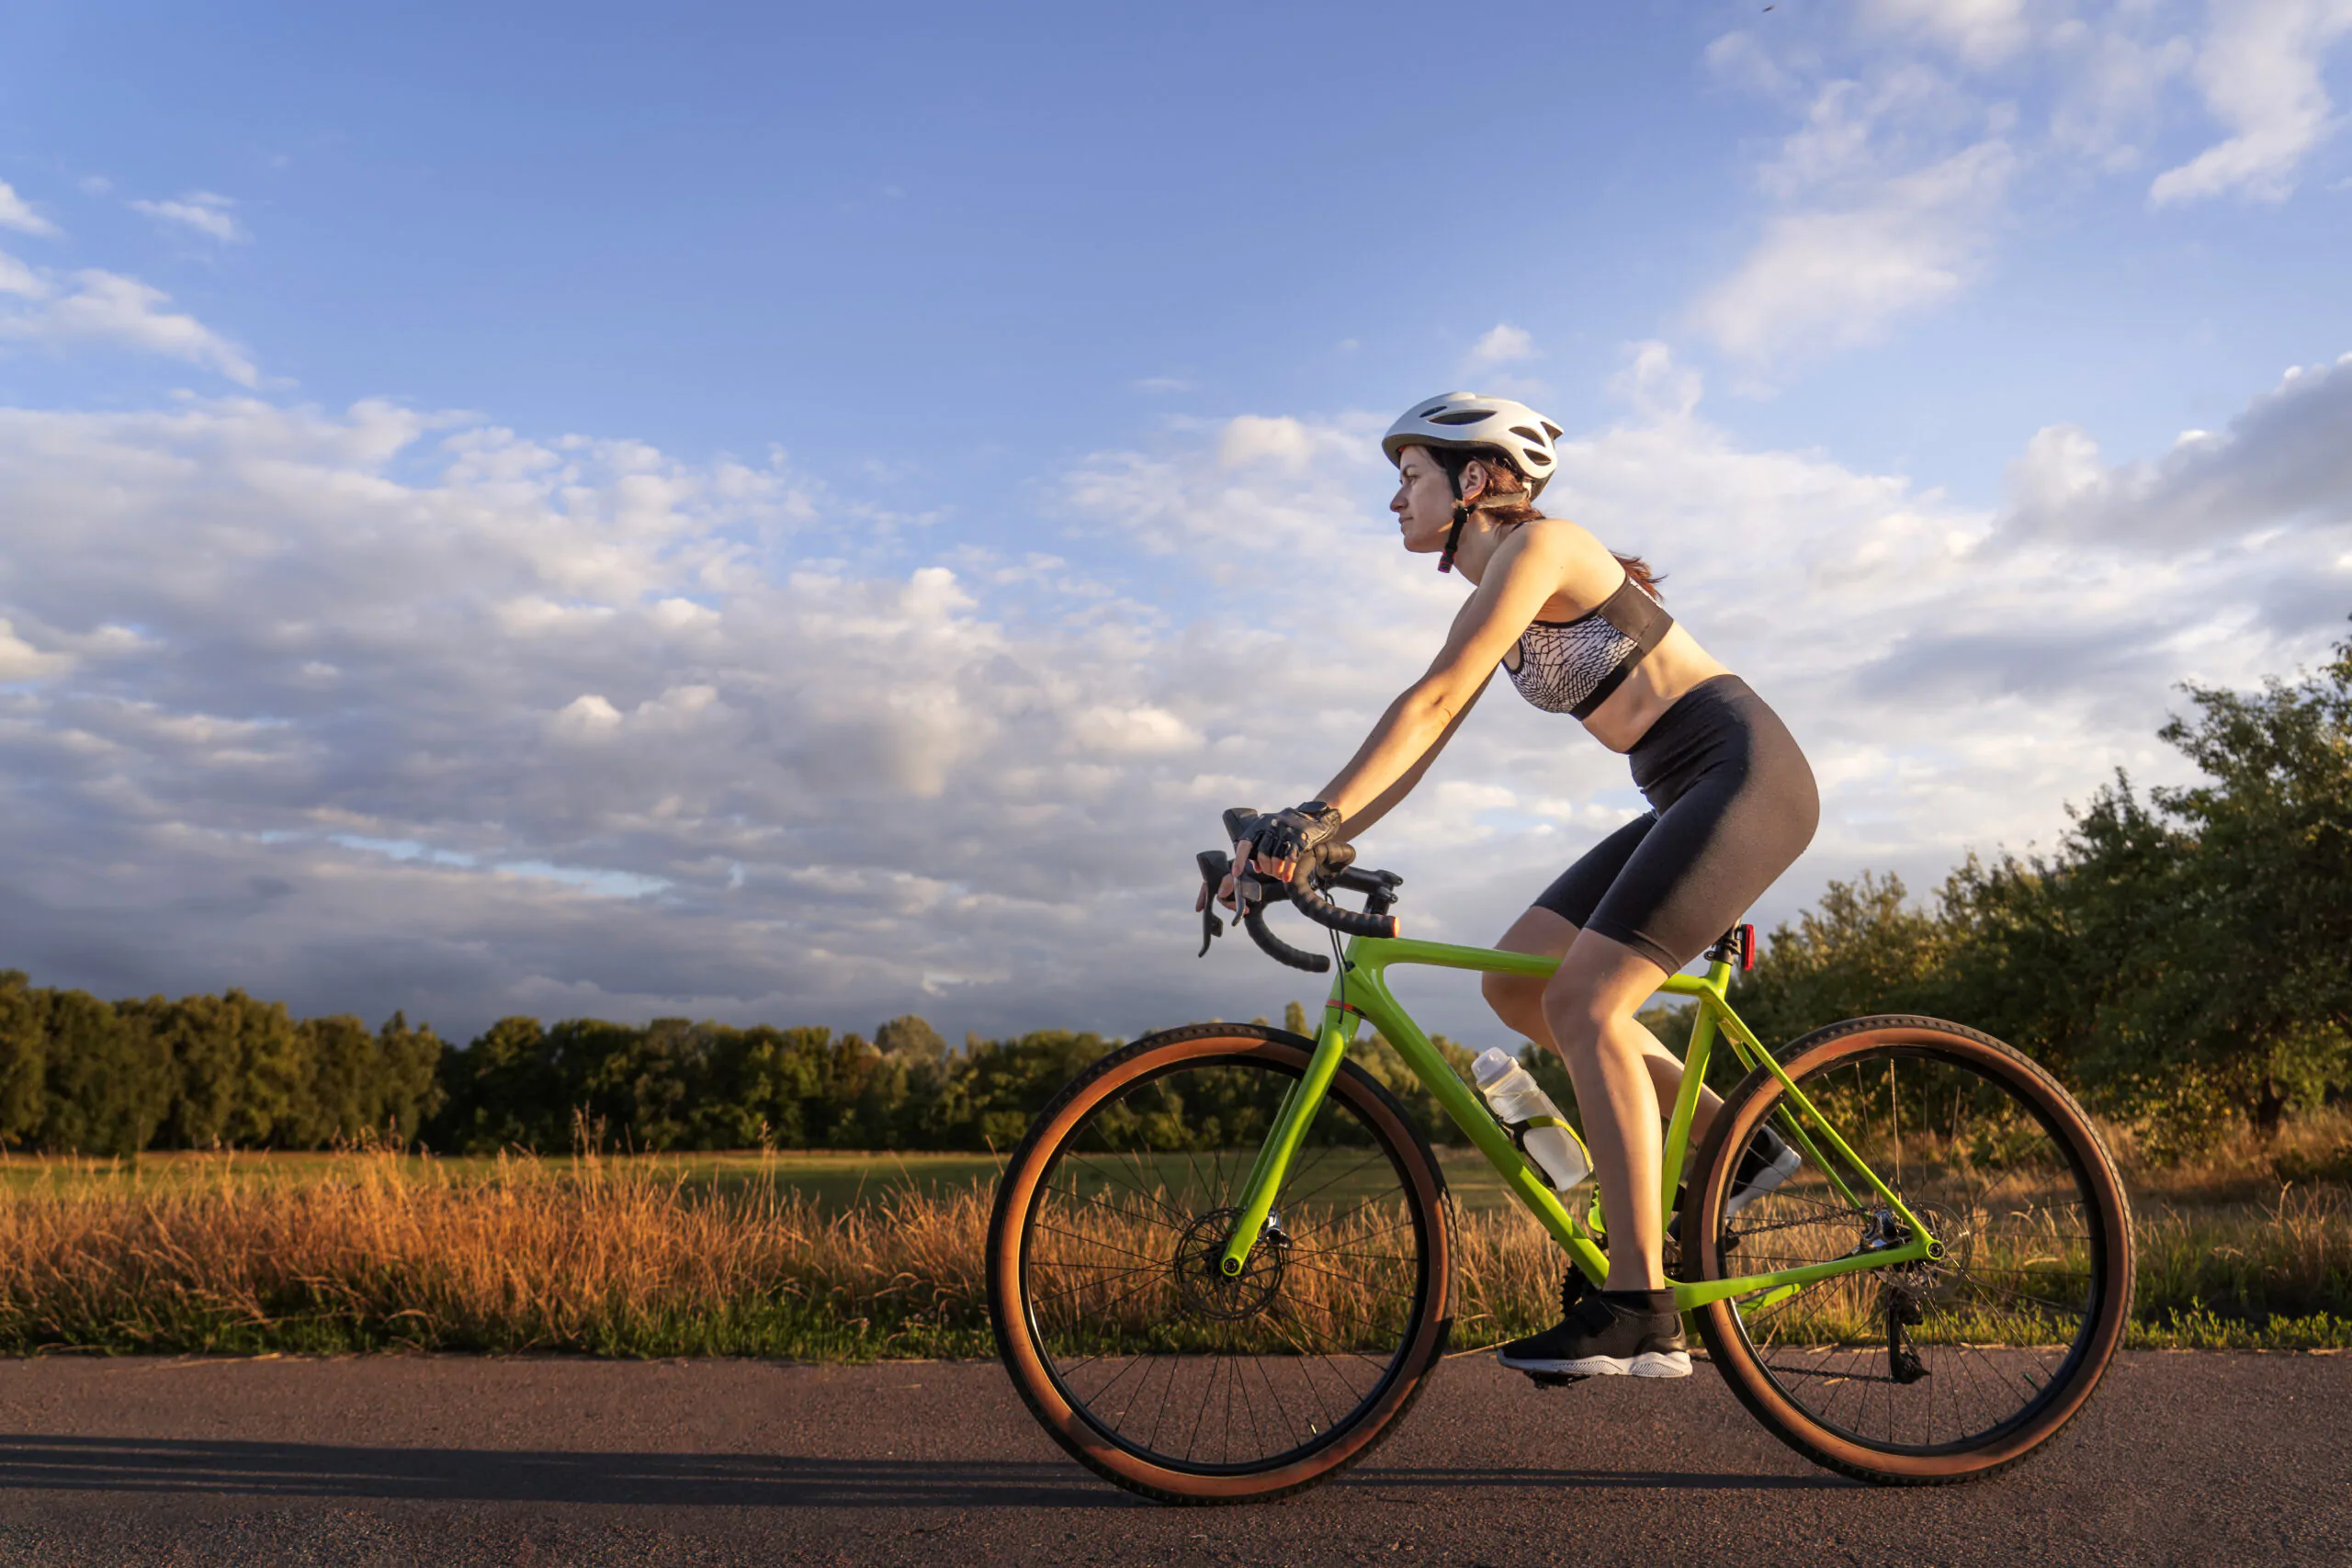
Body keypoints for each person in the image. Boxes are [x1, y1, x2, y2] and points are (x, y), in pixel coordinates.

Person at [1222, 391, 1818, 1379]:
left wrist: (1314, 820)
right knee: (1518, 985)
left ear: (1476, 480)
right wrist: (1309, 840)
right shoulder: (1494, 586)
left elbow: (1434, 696)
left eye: (1408, 477)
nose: (1393, 501)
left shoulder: (1542, 551)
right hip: (1680, 793)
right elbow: (1424, 741)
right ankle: (1737, 1150)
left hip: (1744, 775)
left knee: (1585, 998)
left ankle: (1638, 1306)